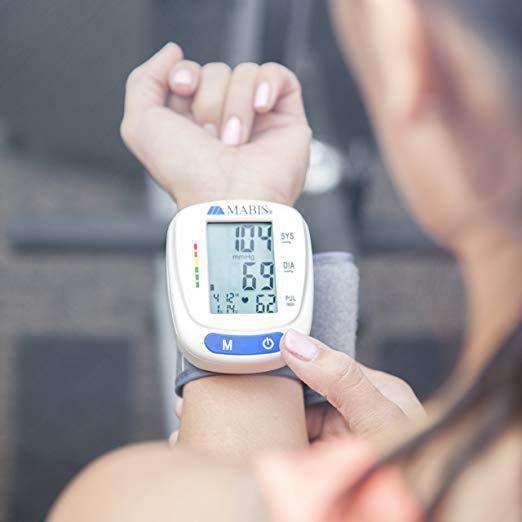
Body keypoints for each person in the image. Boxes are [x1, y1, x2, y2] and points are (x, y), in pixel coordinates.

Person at [49, 0, 521, 520]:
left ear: (408, 49)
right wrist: (241, 201)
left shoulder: (128, 504)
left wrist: (391, 474)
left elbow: (234, 500)